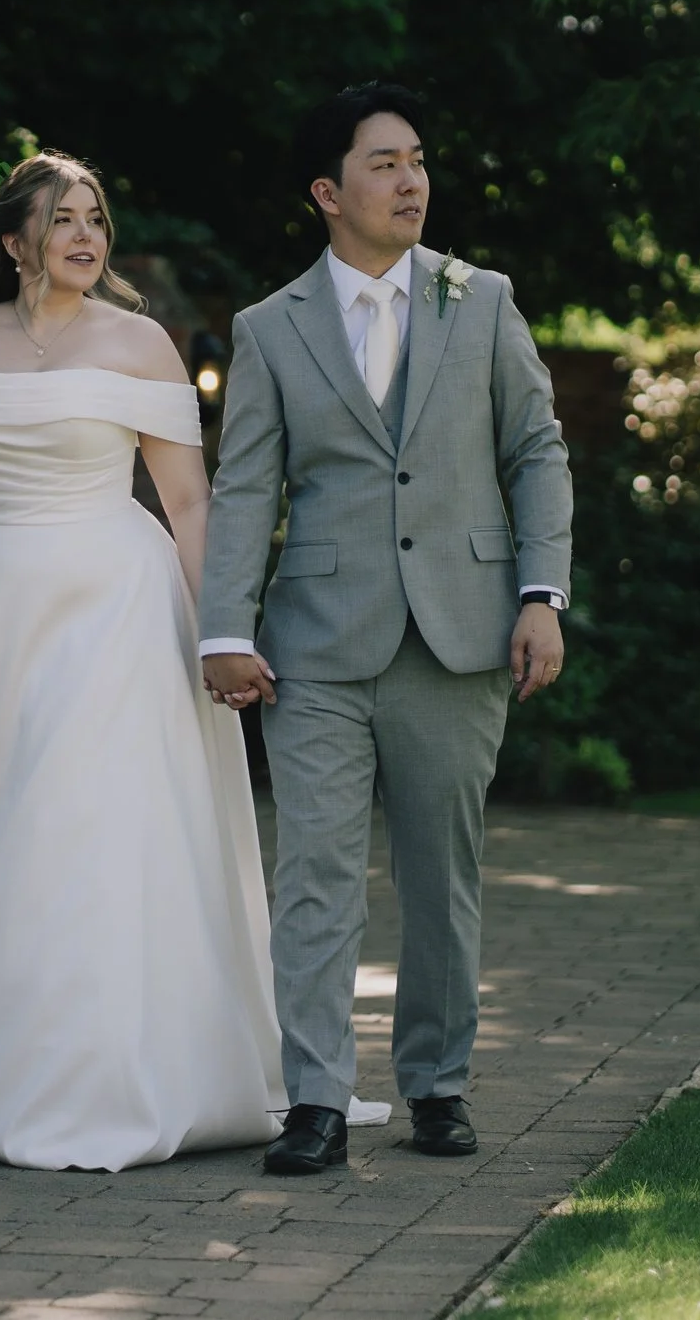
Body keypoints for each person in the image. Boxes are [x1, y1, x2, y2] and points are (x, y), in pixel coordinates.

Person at [0, 151, 285, 1171]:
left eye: (95, 216)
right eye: (62, 217)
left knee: (82, 818)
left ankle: (104, 1063)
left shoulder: (141, 345)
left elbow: (186, 502)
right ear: (12, 240)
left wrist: (224, 630)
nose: (86, 234)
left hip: (115, 603)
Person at [199, 83, 574, 1175]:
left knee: (439, 875)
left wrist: (541, 594)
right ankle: (314, 1096)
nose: (410, 179)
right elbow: (243, 485)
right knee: (312, 872)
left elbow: (536, 454)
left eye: (417, 158)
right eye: (382, 163)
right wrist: (225, 624)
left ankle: (437, 1082)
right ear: (328, 191)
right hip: (314, 642)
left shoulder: (484, 299)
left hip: (461, 636)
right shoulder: (270, 329)